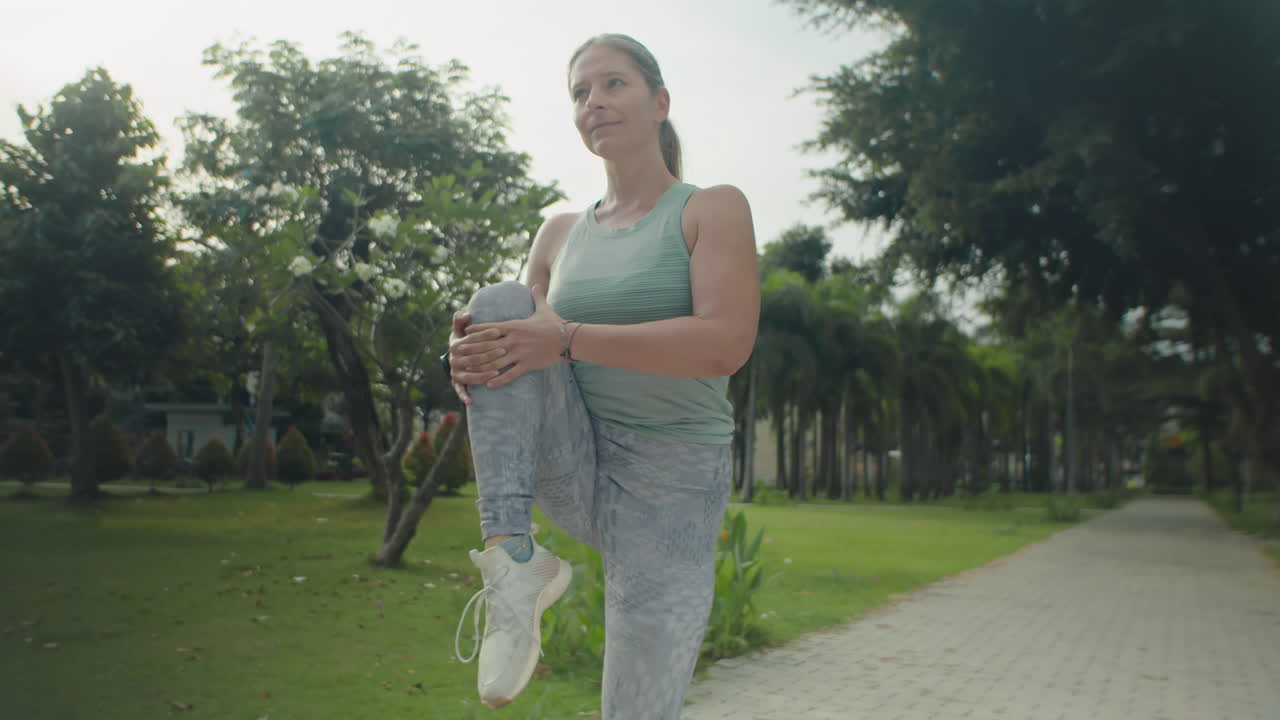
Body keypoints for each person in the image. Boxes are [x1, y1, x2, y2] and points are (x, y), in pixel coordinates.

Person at [446, 33, 759, 719]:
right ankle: (513, 563)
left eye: (613, 84)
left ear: (660, 102)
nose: (595, 102)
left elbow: (723, 345)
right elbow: (523, 346)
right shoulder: (557, 233)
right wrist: (472, 350)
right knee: (497, 304)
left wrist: (564, 339)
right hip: (576, 459)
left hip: (671, 491)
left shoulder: (711, 209)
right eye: (580, 92)